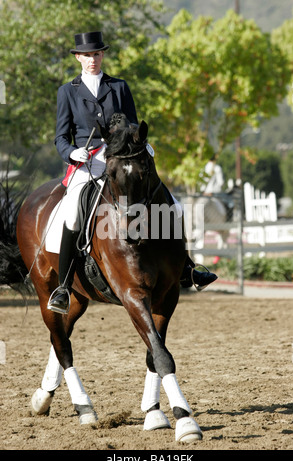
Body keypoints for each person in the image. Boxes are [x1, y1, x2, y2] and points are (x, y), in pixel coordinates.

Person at [48, 31, 217, 314]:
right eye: (87, 55)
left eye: (97, 54)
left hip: (122, 159)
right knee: (73, 213)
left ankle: (187, 267)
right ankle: (63, 287)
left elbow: (133, 124)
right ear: (78, 57)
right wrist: (71, 153)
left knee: (171, 205)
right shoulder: (67, 91)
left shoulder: (119, 87)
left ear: (102, 56)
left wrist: (142, 144)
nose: (92, 60)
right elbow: (61, 137)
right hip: (87, 162)